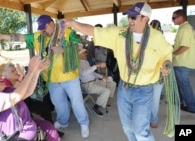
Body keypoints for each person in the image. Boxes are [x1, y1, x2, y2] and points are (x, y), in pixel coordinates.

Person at [64, 2, 173, 141]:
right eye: (129, 17)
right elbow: (93, 31)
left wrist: (166, 65)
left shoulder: (157, 37)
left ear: (145, 18)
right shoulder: (120, 34)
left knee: (140, 131)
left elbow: (166, 55)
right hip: (125, 88)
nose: (130, 20)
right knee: (127, 129)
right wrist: (73, 23)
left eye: (134, 17)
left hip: (144, 90)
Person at [0, 14, 89, 138]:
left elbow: (80, 47)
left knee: (77, 102)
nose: (43, 30)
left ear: (51, 23)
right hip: (51, 79)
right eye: (41, 28)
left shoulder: (67, 32)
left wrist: (64, 50)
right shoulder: (39, 37)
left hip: (70, 77)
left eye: (45, 27)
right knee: (59, 103)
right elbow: (20, 37)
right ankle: (63, 121)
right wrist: (2, 36)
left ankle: (83, 123)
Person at [0, 56, 60, 141]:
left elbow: (28, 91)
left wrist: (36, 71)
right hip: (10, 138)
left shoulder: (6, 90)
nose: (1, 76)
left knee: (49, 127)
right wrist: (30, 72)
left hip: (26, 130)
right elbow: (16, 97)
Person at [1, 62, 65, 137]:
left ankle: (53, 130)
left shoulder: (17, 77)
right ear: (6, 75)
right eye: (12, 71)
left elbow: (29, 88)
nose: (15, 71)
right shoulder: (5, 82)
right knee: (31, 119)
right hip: (17, 107)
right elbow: (16, 95)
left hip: (27, 101)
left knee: (45, 108)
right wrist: (21, 77)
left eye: (15, 69)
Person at [79, 47, 116, 117]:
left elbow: (92, 73)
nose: (86, 54)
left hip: (95, 81)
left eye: (85, 52)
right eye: (84, 53)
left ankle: (104, 100)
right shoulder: (77, 63)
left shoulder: (86, 61)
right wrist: (96, 66)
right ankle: (96, 107)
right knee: (106, 91)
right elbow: (84, 73)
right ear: (79, 55)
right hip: (87, 85)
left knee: (113, 84)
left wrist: (102, 77)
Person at [172, 9, 195, 113]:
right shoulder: (185, 28)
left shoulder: (185, 29)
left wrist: (173, 54)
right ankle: (181, 102)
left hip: (183, 63)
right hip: (183, 62)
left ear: (181, 17)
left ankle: (191, 107)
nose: (172, 20)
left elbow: (185, 46)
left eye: (174, 18)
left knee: (185, 86)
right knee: (182, 85)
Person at [149, 19, 165, 128]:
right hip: (152, 75)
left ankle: (153, 119)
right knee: (154, 99)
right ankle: (153, 119)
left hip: (153, 75)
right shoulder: (162, 40)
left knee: (151, 99)